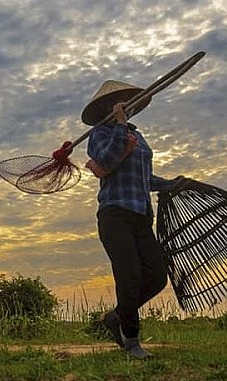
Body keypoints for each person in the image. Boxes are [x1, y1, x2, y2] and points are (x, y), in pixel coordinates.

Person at [83, 80, 173, 359]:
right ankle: (132, 340)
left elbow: (145, 179)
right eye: (120, 102)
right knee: (129, 275)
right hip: (115, 213)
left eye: (128, 102)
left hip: (141, 214)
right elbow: (107, 163)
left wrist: (172, 184)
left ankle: (116, 316)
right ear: (108, 108)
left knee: (157, 277)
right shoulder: (100, 134)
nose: (126, 107)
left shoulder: (139, 136)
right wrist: (119, 127)